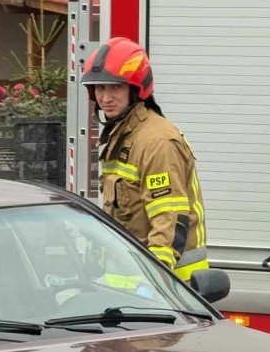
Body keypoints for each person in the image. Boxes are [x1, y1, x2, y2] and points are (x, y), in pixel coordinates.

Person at [81, 37, 210, 283]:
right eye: (100, 88)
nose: (106, 98)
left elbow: (169, 217)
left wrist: (158, 279)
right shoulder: (124, 136)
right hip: (130, 281)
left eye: (115, 87)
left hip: (171, 286)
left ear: (135, 89)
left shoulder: (156, 141)